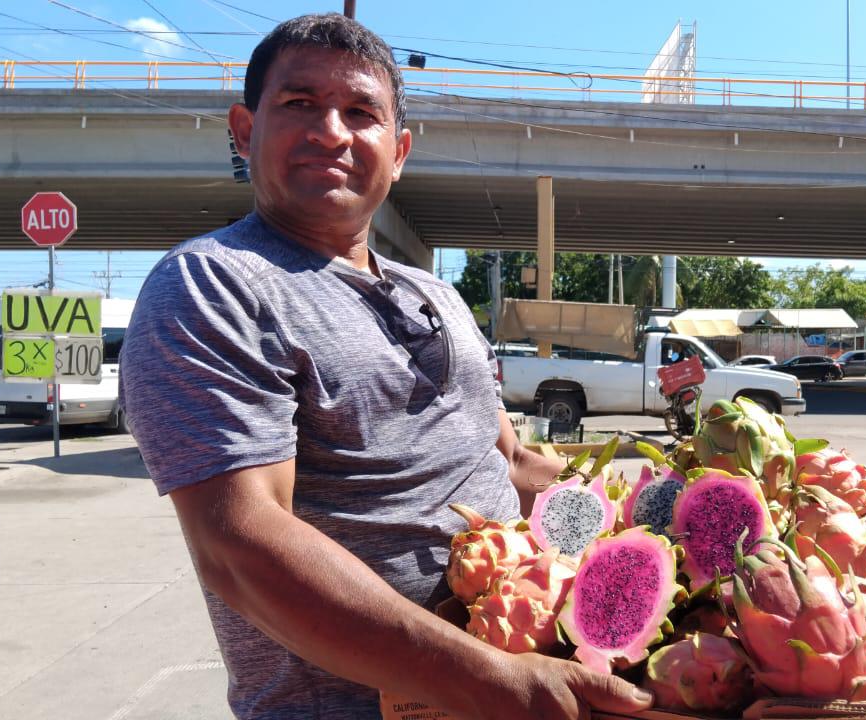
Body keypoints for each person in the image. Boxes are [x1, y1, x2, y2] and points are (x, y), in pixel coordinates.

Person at [118, 13, 654, 720]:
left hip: (532, 660)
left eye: (360, 113)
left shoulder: (435, 293)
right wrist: (492, 680)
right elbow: (240, 548)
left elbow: (509, 463)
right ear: (244, 132)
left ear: (398, 152)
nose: (332, 132)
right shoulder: (213, 285)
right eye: (300, 104)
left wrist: (651, 516)